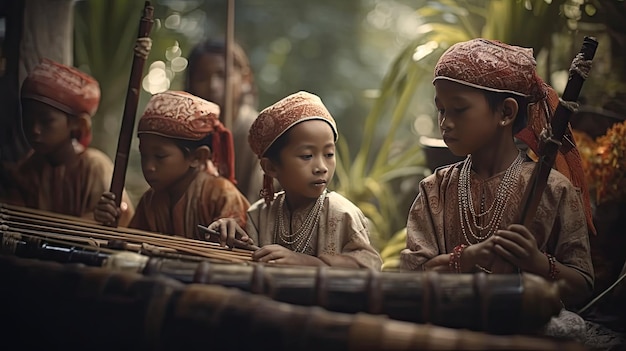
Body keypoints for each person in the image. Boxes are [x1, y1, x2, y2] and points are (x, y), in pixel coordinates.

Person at [399, 39, 595, 335]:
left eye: (459, 110)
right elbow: (411, 279)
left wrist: (538, 263)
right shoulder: (434, 190)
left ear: (506, 112)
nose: (445, 123)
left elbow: (582, 286)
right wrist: (469, 258)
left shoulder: (553, 189)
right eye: (441, 110)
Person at [207, 91, 382, 270]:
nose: (322, 167)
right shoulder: (259, 214)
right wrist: (229, 232)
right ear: (271, 167)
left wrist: (310, 263)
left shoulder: (343, 214)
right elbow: (249, 257)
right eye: (307, 156)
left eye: (329, 154)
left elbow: (370, 265)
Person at [94, 90, 250, 240]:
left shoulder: (222, 195)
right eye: (144, 156)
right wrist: (112, 221)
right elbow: (131, 245)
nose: (149, 167)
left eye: (160, 156)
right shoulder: (150, 201)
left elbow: (241, 248)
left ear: (197, 157)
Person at [1, 58, 134, 225]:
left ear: (78, 124)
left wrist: (106, 216)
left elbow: (120, 218)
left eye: (46, 121)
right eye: (28, 119)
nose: (34, 129)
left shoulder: (96, 167)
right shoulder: (26, 169)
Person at [186, 39, 266, 203]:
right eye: (202, 78)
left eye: (222, 75)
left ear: (245, 80)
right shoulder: (185, 133)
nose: (213, 85)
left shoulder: (260, 132)